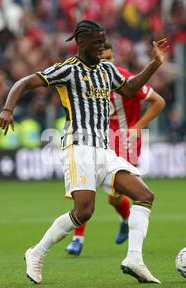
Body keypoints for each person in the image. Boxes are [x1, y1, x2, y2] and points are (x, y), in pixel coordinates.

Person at [0, 20, 169, 284]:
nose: (102, 47)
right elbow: (25, 82)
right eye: (97, 42)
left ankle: (134, 258)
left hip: (104, 149)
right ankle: (36, 252)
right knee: (84, 211)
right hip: (78, 147)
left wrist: (155, 63)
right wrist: (8, 109)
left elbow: (131, 89)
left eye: (104, 41)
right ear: (81, 43)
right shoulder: (68, 69)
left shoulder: (107, 70)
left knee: (144, 195)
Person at [65, 42, 166, 256]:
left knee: (114, 197)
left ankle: (125, 218)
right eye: (103, 59)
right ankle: (77, 238)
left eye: (110, 59)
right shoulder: (88, 80)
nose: (106, 63)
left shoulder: (123, 79)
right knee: (84, 185)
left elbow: (159, 101)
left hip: (125, 142)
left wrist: (137, 127)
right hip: (98, 141)